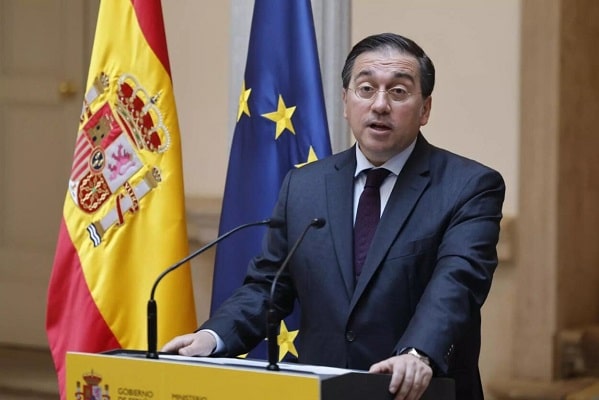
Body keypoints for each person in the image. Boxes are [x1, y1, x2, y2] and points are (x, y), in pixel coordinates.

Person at [163, 32, 505, 400]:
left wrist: (418, 352)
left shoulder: (468, 186)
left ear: (425, 110)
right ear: (345, 102)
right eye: (366, 89)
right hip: (323, 391)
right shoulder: (304, 185)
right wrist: (211, 337)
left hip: (417, 391)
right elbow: (268, 286)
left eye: (398, 92)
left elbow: (457, 284)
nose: (380, 105)